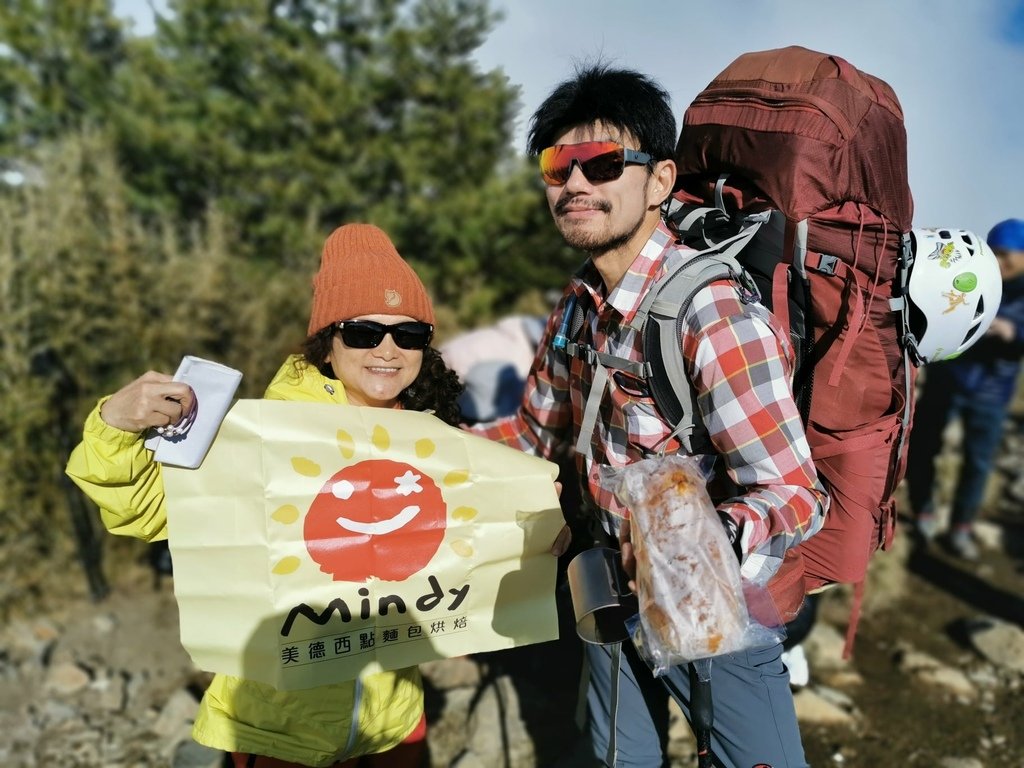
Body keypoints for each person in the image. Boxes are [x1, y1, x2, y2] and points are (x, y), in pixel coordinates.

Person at [469, 65, 828, 768]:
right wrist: (397, 444)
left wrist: (698, 539)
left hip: (711, 603)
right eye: (556, 165)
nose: (574, 184)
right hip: (604, 587)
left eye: (602, 164)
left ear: (660, 181)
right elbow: (532, 438)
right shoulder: (577, 308)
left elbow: (794, 493)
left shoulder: (711, 314)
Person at [67, 224, 466, 767]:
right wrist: (114, 426)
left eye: (409, 334)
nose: (389, 350)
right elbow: (149, 511)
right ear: (329, 342)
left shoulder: (429, 434)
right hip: (279, 730)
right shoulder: (266, 434)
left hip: (393, 721)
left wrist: (532, 535)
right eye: (365, 332)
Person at [908, 218, 1024, 561]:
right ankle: (923, 510)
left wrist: (1012, 334)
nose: (1000, 263)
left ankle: (961, 528)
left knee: (978, 463)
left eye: (1008, 256)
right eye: (995, 254)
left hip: (992, 390)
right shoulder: (975, 276)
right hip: (948, 377)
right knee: (924, 445)